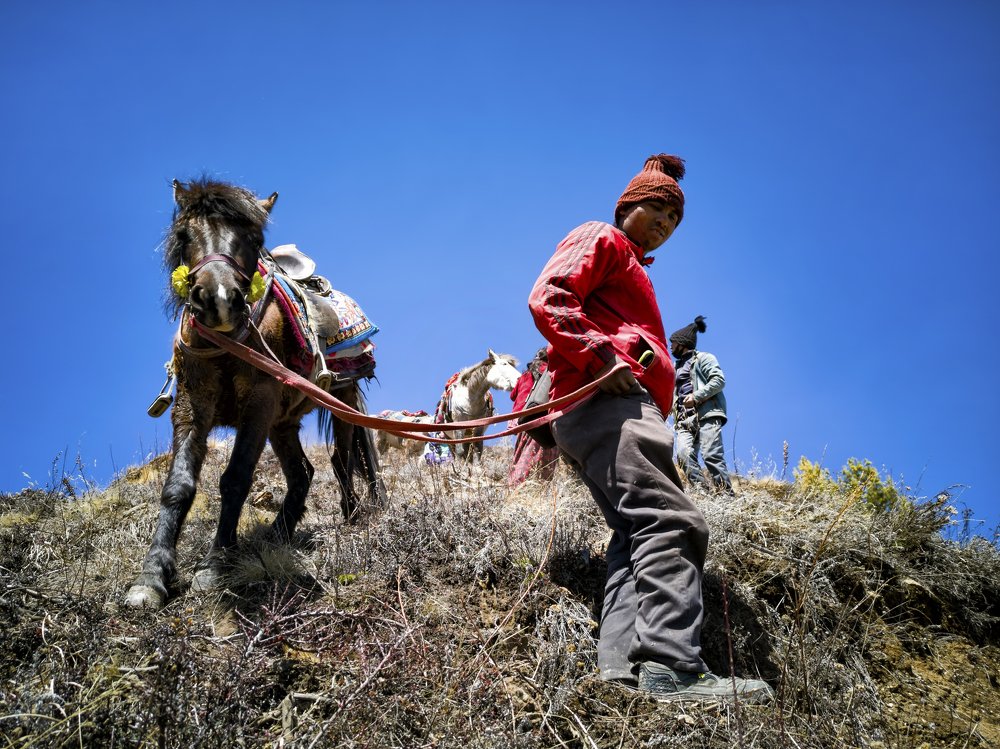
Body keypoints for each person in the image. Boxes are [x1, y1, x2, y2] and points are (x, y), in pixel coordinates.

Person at [528, 154, 772, 703]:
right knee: (675, 522)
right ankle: (671, 664)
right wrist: (599, 357)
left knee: (634, 533)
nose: (664, 223)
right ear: (626, 206)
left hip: (602, 408)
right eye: (655, 209)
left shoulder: (633, 267)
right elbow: (550, 296)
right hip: (610, 402)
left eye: (674, 219)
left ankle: (621, 669)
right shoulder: (603, 238)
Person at [670, 316, 734, 494]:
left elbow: (719, 381)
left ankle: (726, 497)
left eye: (673, 342)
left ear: (682, 343)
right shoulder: (674, 367)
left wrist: (696, 397)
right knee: (683, 456)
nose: (670, 346)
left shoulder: (704, 358)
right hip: (683, 420)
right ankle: (703, 492)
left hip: (706, 414)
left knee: (711, 456)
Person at [507, 348, 560, 486]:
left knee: (521, 451)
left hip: (522, 416)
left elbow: (513, 395)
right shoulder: (548, 370)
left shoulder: (525, 375)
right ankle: (539, 484)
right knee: (542, 450)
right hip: (542, 417)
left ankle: (516, 483)